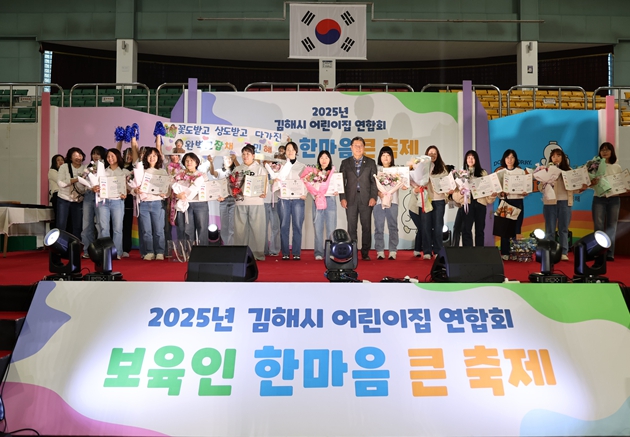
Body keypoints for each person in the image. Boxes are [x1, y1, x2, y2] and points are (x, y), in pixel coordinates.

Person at [339, 136, 378, 260]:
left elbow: (374, 182)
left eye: (360, 145)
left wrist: (373, 197)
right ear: (351, 147)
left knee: (366, 227)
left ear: (364, 147)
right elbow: (341, 182)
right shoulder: (345, 163)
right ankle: (352, 252)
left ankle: (365, 253)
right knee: (351, 227)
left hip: (366, 199)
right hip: (350, 199)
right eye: (355, 145)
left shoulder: (371, 162)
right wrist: (342, 198)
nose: (358, 148)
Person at [92, 148, 130, 258]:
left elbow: (130, 188)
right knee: (104, 228)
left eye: (112, 156)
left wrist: (125, 192)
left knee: (118, 228)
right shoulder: (102, 172)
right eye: (108, 156)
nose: (110, 158)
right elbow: (94, 186)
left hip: (117, 202)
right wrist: (94, 188)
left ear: (118, 157)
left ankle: (117, 252)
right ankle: (106, 253)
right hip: (103, 202)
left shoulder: (124, 172)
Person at [592, 142, 625, 261]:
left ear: (612, 152)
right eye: (602, 150)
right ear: (600, 152)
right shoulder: (594, 166)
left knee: (612, 226)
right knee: (598, 226)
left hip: (614, 199)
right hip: (599, 198)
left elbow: (621, 183)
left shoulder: (617, 167)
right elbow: (590, 183)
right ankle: (599, 252)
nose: (605, 152)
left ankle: (610, 253)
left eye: (607, 150)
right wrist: (593, 182)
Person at [233, 144, 268, 261]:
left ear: (253, 155)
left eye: (248, 154)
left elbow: (264, 185)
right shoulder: (237, 169)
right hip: (240, 202)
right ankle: (239, 254)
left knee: (257, 229)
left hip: (256, 202)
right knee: (240, 229)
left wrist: (264, 192)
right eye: (243, 154)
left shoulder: (260, 169)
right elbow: (231, 185)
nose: (245, 156)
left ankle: (257, 254)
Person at [417, 146, 451, 259]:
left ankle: (437, 250)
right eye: (430, 153)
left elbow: (447, 183)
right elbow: (417, 181)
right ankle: (427, 251)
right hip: (426, 199)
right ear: (426, 154)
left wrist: (448, 190)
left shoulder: (443, 168)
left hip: (439, 200)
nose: (432, 155)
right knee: (425, 226)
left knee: (438, 226)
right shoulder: (421, 167)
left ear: (438, 155)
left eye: (435, 153)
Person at [495, 149, 529, 260]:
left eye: (512, 157)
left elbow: (526, 188)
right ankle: (505, 252)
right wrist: (501, 193)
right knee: (504, 228)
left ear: (515, 159)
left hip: (517, 201)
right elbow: (497, 190)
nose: (509, 160)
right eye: (507, 157)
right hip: (505, 201)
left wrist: (525, 192)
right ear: (504, 159)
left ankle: (514, 253)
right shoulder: (500, 173)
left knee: (516, 228)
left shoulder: (521, 172)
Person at [135, 147, 168, 260]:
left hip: (157, 203)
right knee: (146, 230)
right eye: (149, 155)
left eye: (154, 155)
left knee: (159, 230)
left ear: (158, 157)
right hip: (143, 203)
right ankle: (149, 252)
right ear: (146, 157)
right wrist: (135, 190)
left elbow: (167, 189)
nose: (152, 158)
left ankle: (160, 251)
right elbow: (133, 188)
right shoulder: (140, 171)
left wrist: (165, 194)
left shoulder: (162, 172)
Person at [276, 142, 306, 260]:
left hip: (298, 199)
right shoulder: (280, 166)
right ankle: (285, 252)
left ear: (296, 151)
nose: (290, 151)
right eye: (288, 149)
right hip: (284, 199)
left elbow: (307, 182)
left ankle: (296, 252)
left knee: (297, 225)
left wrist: (305, 194)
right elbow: (276, 181)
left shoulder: (302, 166)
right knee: (284, 225)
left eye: (292, 149)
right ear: (285, 151)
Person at [373, 146, 405, 260]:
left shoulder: (397, 171)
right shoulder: (375, 170)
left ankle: (392, 250)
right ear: (380, 157)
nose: (385, 157)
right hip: (378, 202)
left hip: (393, 201)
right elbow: (371, 185)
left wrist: (404, 185)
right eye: (383, 155)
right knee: (379, 227)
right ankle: (380, 250)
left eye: (388, 155)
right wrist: (378, 193)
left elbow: (404, 183)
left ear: (391, 157)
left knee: (393, 226)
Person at [173, 153, 209, 245]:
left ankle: (203, 250)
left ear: (196, 162)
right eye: (187, 161)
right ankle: (188, 250)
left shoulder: (203, 176)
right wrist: (178, 196)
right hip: (185, 205)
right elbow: (173, 190)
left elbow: (209, 190)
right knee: (187, 230)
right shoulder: (179, 175)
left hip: (201, 204)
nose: (189, 162)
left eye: (191, 160)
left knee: (202, 229)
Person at [461, 150, 493, 247]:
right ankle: (468, 252)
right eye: (468, 157)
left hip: (480, 203)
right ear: (466, 159)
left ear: (476, 159)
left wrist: (492, 195)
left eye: (472, 157)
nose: (470, 159)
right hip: (467, 203)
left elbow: (488, 188)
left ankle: (479, 252)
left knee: (479, 230)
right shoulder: (461, 173)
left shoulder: (483, 172)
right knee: (466, 229)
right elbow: (457, 190)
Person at [81, 145, 107, 258]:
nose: (95, 156)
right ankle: (87, 250)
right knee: (86, 224)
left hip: (101, 197)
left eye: (98, 154)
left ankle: (100, 251)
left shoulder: (106, 168)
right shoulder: (88, 168)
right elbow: (83, 182)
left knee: (101, 224)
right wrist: (90, 187)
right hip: (88, 196)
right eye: (93, 153)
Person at [312, 150, 338, 261]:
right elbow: (310, 187)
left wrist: (337, 191)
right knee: (318, 227)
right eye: (321, 157)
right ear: (318, 159)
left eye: (326, 158)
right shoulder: (314, 173)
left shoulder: (334, 173)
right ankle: (318, 252)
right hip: (318, 200)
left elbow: (338, 186)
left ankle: (331, 252)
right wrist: (315, 195)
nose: (324, 160)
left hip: (330, 200)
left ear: (329, 160)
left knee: (331, 228)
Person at [56, 147, 87, 239]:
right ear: (70, 157)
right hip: (63, 198)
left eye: (80, 155)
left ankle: (76, 244)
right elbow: (61, 183)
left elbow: (87, 185)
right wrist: (77, 179)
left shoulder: (85, 168)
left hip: (78, 200)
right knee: (61, 224)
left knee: (77, 226)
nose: (78, 157)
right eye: (75, 155)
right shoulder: (64, 167)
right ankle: (59, 244)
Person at [213, 153, 237, 245]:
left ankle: (231, 246)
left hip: (234, 200)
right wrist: (211, 162)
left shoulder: (236, 171)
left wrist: (235, 160)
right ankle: (226, 245)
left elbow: (241, 170)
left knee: (232, 226)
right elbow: (212, 172)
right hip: (223, 200)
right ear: (223, 160)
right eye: (226, 159)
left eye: (230, 159)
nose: (228, 160)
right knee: (224, 226)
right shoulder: (219, 171)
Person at [48, 154, 65, 230]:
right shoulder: (52, 171)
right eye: (58, 160)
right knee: (59, 218)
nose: (60, 161)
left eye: (62, 160)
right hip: (57, 195)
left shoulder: (66, 172)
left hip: (65, 195)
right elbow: (61, 181)